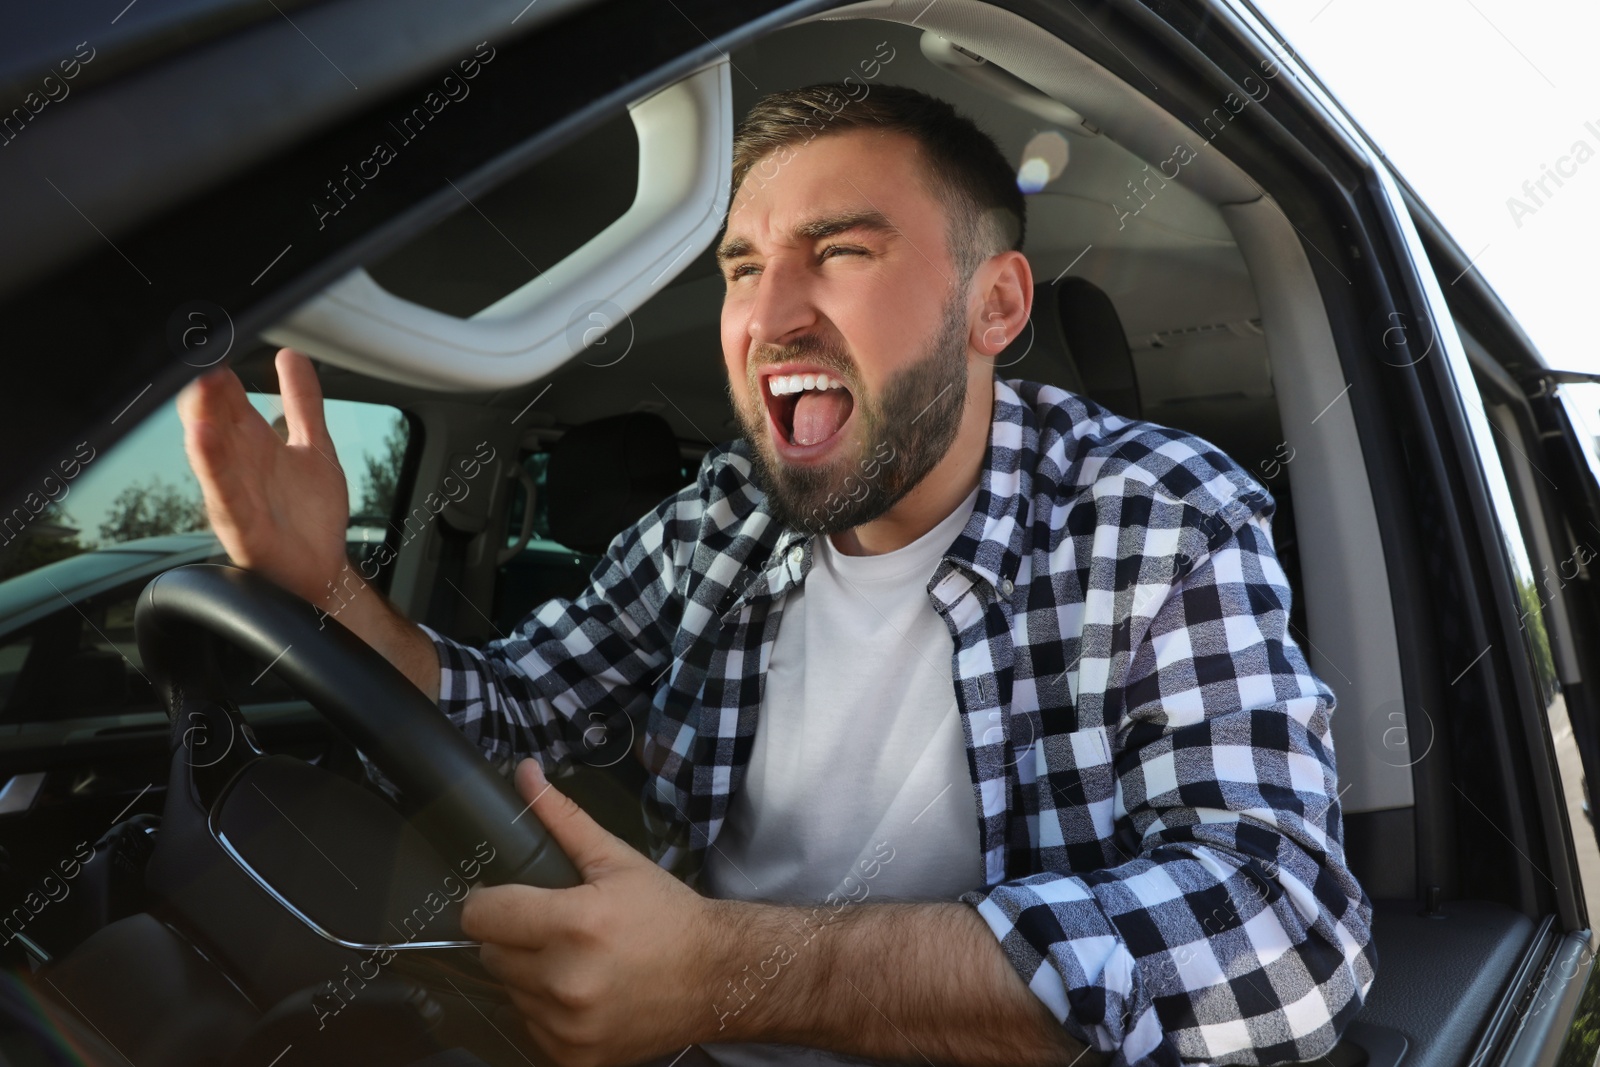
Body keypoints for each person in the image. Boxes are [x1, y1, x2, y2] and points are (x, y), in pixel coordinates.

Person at [179, 83, 1375, 1067]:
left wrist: (724, 972)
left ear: (994, 302)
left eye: (841, 251)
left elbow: (1285, 936)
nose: (771, 314)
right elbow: (506, 707)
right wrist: (323, 583)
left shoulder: (1150, 514)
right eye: (743, 268)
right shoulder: (728, 518)